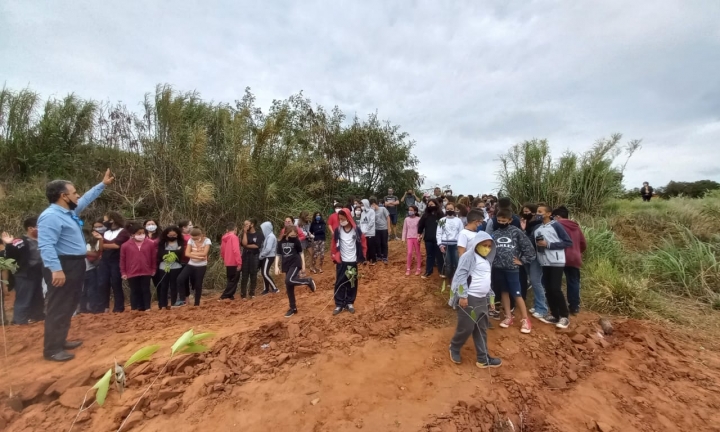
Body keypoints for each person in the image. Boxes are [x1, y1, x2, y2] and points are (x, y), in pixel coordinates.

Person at [37, 169, 113, 362]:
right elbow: (46, 245)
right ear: (63, 196)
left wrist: (102, 184)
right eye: (74, 192)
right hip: (63, 265)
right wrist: (56, 269)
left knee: (69, 304)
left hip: (74, 264)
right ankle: (52, 349)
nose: (77, 195)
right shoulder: (50, 216)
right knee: (58, 306)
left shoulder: (68, 212)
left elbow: (86, 199)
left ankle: (60, 340)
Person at [447, 232, 502, 368]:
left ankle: (483, 358)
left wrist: (491, 298)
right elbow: (460, 276)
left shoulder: (486, 260)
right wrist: (463, 296)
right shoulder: (468, 257)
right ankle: (454, 347)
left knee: (481, 328)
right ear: (477, 244)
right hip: (469, 297)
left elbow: (486, 281)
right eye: (484, 245)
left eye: (489, 246)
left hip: (482, 298)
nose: (487, 248)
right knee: (466, 327)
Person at [491, 209, 536, 334]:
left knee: (517, 293)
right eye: (499, 220)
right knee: (504, 292)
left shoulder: (516, 232)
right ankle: (508, 317)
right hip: (498, 268)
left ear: (510, 220)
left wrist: (522, 261)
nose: (501, 222)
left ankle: (525, 319)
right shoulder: (495, 234)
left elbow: (529, 248)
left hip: (512, 269)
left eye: (504, 221)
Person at [534, 204, 573, 328]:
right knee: (548, 289)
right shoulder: (538, 229)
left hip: (556, 261)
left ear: (549, 214)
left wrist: (549, 244)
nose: (538, 213)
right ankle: (554, 315)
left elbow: (568, 242)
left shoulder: (556, 225)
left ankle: (564, 316)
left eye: (540, 211)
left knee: (555, 288)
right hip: (544, 261)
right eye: (537, 211)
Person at [1, 217, 45, 324]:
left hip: (39, 274)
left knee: (38, 298)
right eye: (39, 227)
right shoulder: (19, 241)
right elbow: (8, 256)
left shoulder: (44, 240)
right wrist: (9, 244)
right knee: (23, 299)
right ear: (30, 228)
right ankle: (19, 321)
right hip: (24, 275)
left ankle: (38, 318)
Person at [330, 209, 367, 315]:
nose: (341, 221)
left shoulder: (356, 231)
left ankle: (349, 302)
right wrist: (334, 256)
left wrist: (362, 257)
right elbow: (333, 244)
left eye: (343, 218)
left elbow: (363, 243)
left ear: (348, 218)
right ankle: (339, 304)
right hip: (341, 261)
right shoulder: (338, 231)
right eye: (339, 219)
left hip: (352, 261)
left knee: (351, 282)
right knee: (340, 282)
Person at [275, 225, 317, 318]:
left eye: (295, 235)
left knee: (288, 280)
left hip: (295, 263)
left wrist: (303, 265)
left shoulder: (296, 241)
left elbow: (301, 252)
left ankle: (308, 281)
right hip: (286, 264)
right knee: (289, 287)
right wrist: (276, 267)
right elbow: (278, 254)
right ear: (286, 233)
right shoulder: (280, 242)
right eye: (292, 235)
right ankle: (293, 308)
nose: (294, 237)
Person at [552, 206, 587, 315]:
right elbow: (583, 243)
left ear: (557, 216)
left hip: (559, 257)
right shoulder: (575, 226)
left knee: (555, 283)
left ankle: (557, 306)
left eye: (553, 217)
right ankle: (574, 307)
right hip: (575, 257)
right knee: (573, 281)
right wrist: (577, 251)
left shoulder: (556, 225)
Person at [519, 204, 548, 319]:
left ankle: (542, 308)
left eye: (528, 211)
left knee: (536, 282)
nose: (526, 213)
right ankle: (537, 306)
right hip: (528, 256)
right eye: (524, 211)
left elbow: (533, 242)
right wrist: (523, 229)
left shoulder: (539, 227)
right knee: (534, 280)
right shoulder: (531, 225)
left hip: (536, 256)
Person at [120, 224, 157, 311]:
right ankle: (134, 308)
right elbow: (122, 260)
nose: (141, 235)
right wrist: (123, 272)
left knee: (146, 289)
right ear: (132, 234)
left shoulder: (150, 244)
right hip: (132, 272)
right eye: (139, 233)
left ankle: (147, 307)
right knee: (134, 291)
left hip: (146, 271)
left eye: (143, 233)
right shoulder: (125, 245)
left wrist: (153, 269)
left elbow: (153, 258)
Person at [99, 211, 130, 313]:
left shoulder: (123, 232)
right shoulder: (105, 233)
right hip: (104, 261)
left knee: (116, 283)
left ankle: (119, 307)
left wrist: (102, 245)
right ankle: (105, 306)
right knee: (103, 283)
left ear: (112, 220)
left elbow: (116, 245)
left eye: (105, 219)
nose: (104, 222)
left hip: (117, 260)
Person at [176, 227, 211, 306]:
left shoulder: (207, 241)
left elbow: (204, 253)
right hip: (191, 264)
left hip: (201, 265)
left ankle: (197, 303)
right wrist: (198, 257)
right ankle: (182, 299)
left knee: (198, 284)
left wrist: (192, 253)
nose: (194, 240)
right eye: (193, 238)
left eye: (196, 238)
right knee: (180, 279)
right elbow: (187, 253)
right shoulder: (190, 240)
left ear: (201, 235)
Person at [156, 226, 185, 309]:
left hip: (176, 267)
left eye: (174, 235)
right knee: (163, 286)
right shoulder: (162, 242)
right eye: (170, 235)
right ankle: (163, 305)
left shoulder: (180, 241)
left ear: (177, 234)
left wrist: (168, 252)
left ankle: (173, 303)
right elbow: (161, 254)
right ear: (166, 234)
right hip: (164, 267)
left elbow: (180, 253)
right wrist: (174, 252)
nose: (172, 237)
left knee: (174, 286)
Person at [81, 220, 104, 314]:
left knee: (92, 290)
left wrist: (83, 251)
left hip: (90, 269)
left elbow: (95, 254)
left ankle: (94, 307)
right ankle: (83, 308)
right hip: (80, 270)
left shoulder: (90, 243)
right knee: (82, 291)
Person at [437, 202, 463, 280]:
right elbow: (438, 233)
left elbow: (461, 233)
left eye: (451, 209)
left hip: (456, 245)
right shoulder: (442, 220)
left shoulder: (458, 220)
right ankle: (450, 280)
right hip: (445, 245)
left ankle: (457, 280)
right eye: (448, 209)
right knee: (448, 264)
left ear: (454, 209)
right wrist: (440, 244)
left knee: (457, 263)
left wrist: (460, 244)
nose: (449, 210)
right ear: (445, 209)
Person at [418, 199, 444, 279]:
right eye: (429, 205)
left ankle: (442, 271)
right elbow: (421, 226)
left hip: (438, 239)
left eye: (432, 204)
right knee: (429, 256)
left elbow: (444, 227)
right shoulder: (425, 215)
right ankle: (428, 271)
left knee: (439, 255)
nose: (430, 206)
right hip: (428, 238)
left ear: (436, 205)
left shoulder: (440, 215)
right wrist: (419, 234)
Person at [239, 218, 264, 299]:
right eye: (244, 224)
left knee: (253, 274)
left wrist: (246, 246)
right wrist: (245, 233)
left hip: (255, 255)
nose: (245, 226)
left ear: (252, 224)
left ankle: (252, 293)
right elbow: (244, 243)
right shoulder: (244, 234)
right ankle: (243, 294)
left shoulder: (259, 234)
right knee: (244, 275)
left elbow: (257, 246)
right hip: (245, 256)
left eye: (246, 224)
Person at [219, 222, 242, 300]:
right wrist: (239, 262)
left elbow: (222, 250)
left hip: (228, 261)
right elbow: (236, 250)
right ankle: (225, 295)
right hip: (234, 262)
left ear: (227, 230)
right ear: (235, 229)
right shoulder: (234, 237)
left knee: (230, 279)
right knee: (234, 280)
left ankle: (230, 295)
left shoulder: (224, 237)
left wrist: (224, 259)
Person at [259, 221, 279, 295]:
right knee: (264, 273)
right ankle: (266, 289)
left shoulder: (271, 236)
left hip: (269, 256)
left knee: (265, 273)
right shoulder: (268, 236)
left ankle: (275, 288)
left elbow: (268, 249)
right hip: (267, 256)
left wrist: (261, 255)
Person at [402, 205, 422, 276]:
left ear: (415, 211)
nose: (410, 211)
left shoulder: (418, 219)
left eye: (411, 210)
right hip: (409, 237)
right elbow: (404, 229)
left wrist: (420, 236)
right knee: (409, 253)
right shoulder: (406, 219)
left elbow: (420, 229)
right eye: (409, 210)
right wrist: (403, 238)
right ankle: (408, 268)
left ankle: (418, 268)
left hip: (416, 238)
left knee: (418, 252)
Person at [370, 197, 391, 264]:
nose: (372, 206)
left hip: (384, 228)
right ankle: (379, 256)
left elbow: (388, 218)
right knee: (377, 243)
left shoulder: (383, 209)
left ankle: (385, 257)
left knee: (384, 243)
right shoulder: (372, 211)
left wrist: (389, 227)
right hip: (376, 229)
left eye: (372, 205)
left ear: (374, 204)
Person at [360, 199, 377, 265]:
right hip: (364, 233)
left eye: (363, 205)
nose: (362, 206)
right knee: (365, 246)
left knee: (371, 246)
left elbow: (371, 222)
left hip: (370, 232)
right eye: (361, 205)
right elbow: (361, 222)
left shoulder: (371, 211)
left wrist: (366, 230)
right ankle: (367, 259)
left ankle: (373, 260)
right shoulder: (362, 213)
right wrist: (362, 230)